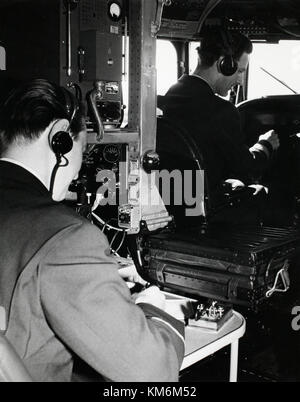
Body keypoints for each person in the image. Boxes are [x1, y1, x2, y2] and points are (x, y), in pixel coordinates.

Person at [0, 79, 185, 382]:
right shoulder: (67, 237)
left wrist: (95, 275)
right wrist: (157, 308)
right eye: (82, 150)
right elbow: (153, 374)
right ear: (60, 138)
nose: (77, 171)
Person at [159, 28, 281, 225]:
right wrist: (264, 146)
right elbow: (246, 169)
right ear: (224, 64)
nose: (240, 80)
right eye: (240, 71)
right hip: (207, 211)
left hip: (174, 203)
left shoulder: (170, 97)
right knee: (262, 192)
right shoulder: (221, 111)